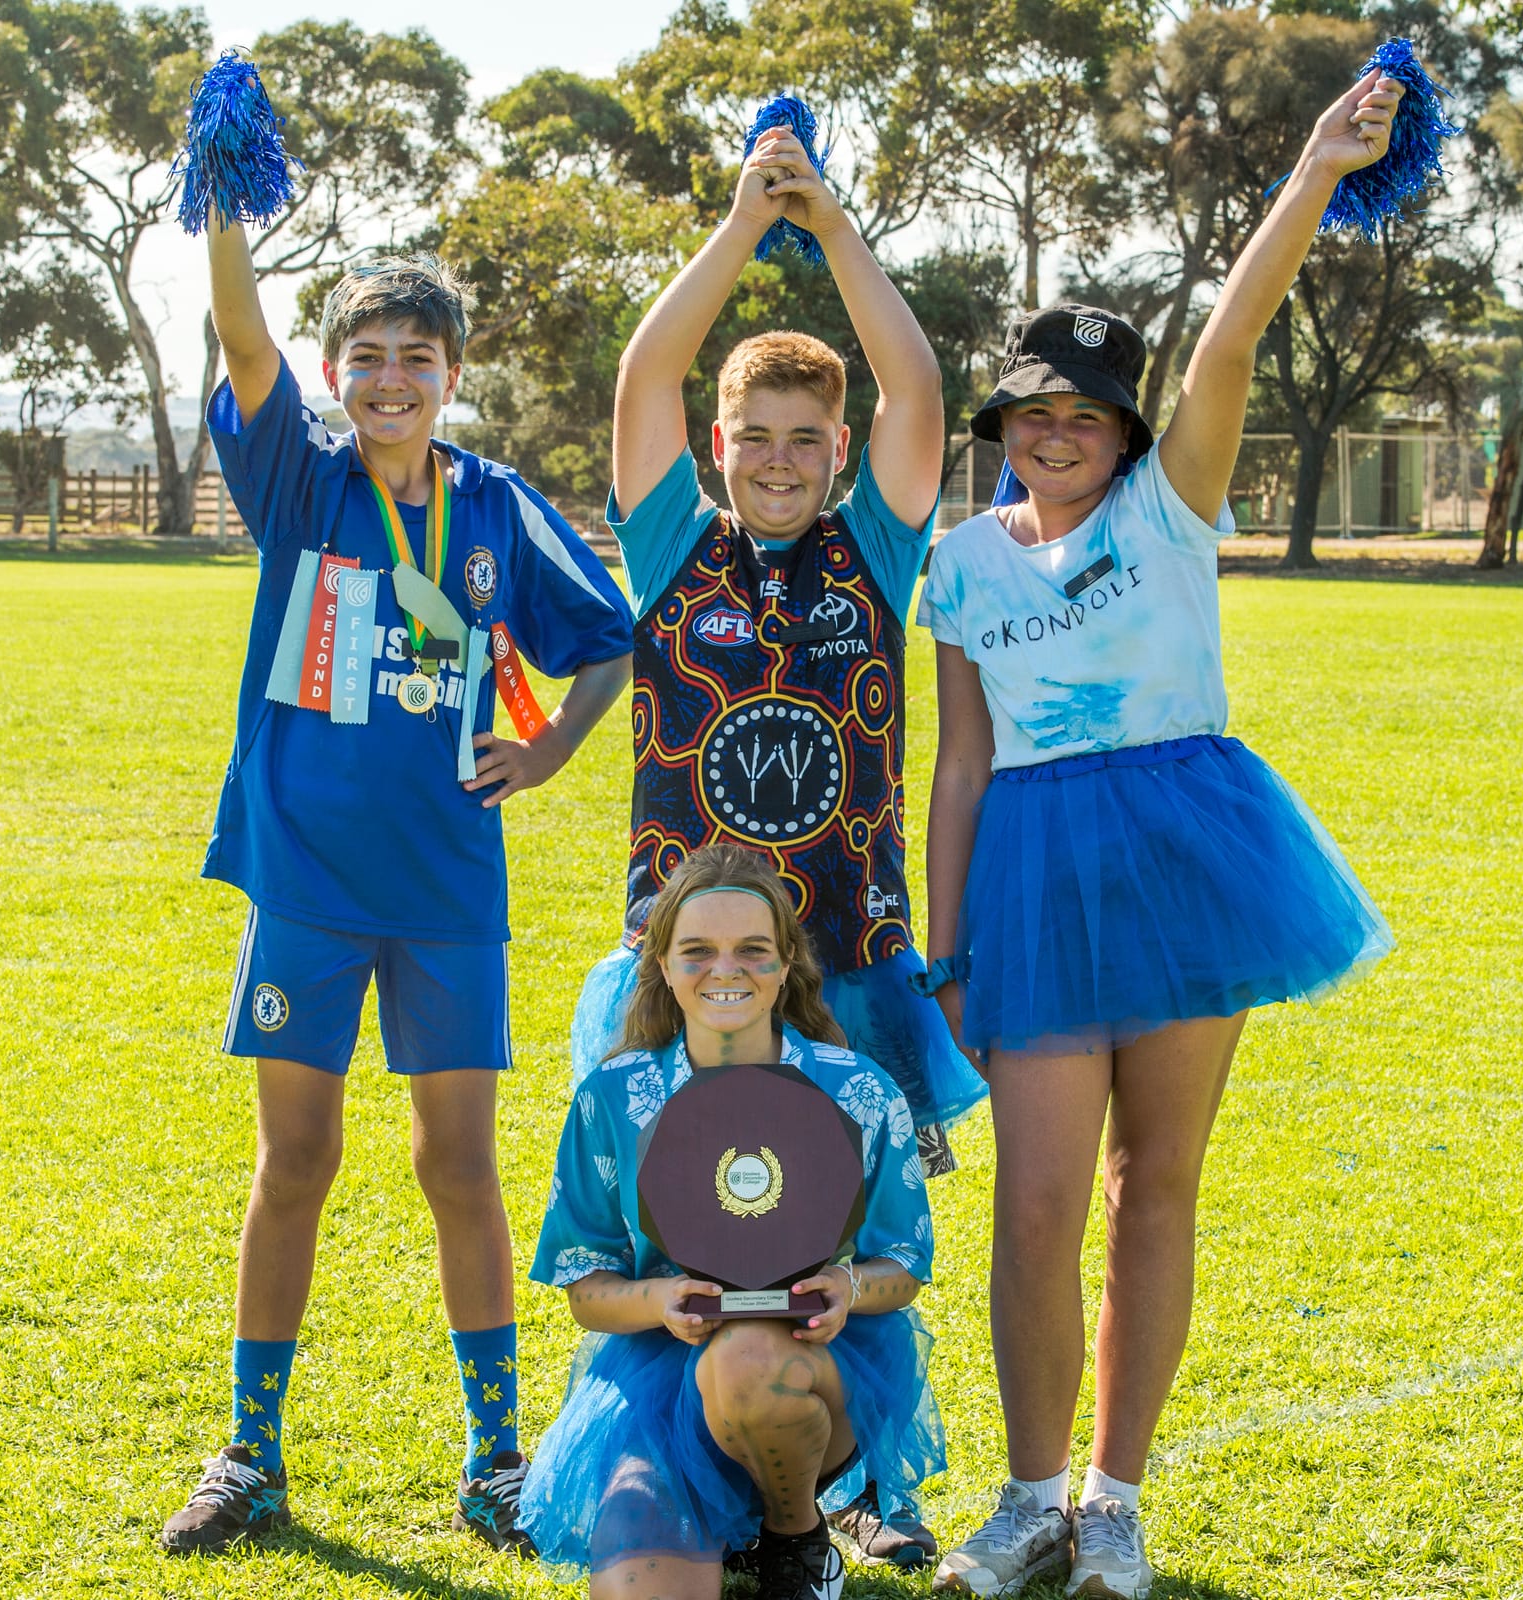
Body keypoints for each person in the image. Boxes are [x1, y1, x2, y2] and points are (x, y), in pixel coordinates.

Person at [918, 72, 1405, 1600]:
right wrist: (945, 946)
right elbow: (961, 761)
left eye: (1088, 412)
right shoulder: (956, 563)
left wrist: (1316, 175)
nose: (1059, 431)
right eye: (1034, 410)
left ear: (1128, 429)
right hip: (1035, 878)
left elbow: (1233, 338)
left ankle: (1114, 1503)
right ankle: (1024, 1499)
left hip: (1191, 853)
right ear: (1003, 422)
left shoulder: (1171, 505)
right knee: (1039, 1198)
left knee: (1156, 1188)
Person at [155, 227, 635, 1556]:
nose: (389, 379)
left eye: (415, 359)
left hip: (445, 892)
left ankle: (495, 1461)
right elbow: (243, 345)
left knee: (457, 1165)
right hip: (303, 882)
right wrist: (227, 216)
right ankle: (250, 1455)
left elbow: (607, 641)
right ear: (333, 372)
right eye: (364, 357)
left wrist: (544, 751)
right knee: (295, 1160)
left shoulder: (490, 505)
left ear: (452, 375)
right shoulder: (298, 482)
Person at [568, 117, 983, 1565]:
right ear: (719, 447)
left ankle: (872, 1487)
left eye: (812, 439)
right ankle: (686, 1469)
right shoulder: (673, 547)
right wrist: (745, 228)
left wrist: (837, 226)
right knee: (667, 1221)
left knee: (850, 1240)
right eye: (758, 438)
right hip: (687, 958)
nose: (783, 462)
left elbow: (919, 384)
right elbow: (643, 375)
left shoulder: (878, 547)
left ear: (841, 450)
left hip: (848, 952)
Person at [521, 843, 944, 1600]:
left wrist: (848, 1287)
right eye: (698, 951)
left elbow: (904, 1264)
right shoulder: (613, 1098)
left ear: (787, 966)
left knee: (746, 1359)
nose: (726, 971)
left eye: (753, 950)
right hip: (658, 1390)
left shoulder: (855, 1090)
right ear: (662, 966)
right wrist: (659, 1302)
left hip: (813, 1378)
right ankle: (719, 1527)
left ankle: (794, 1535)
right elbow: (584, 1282)